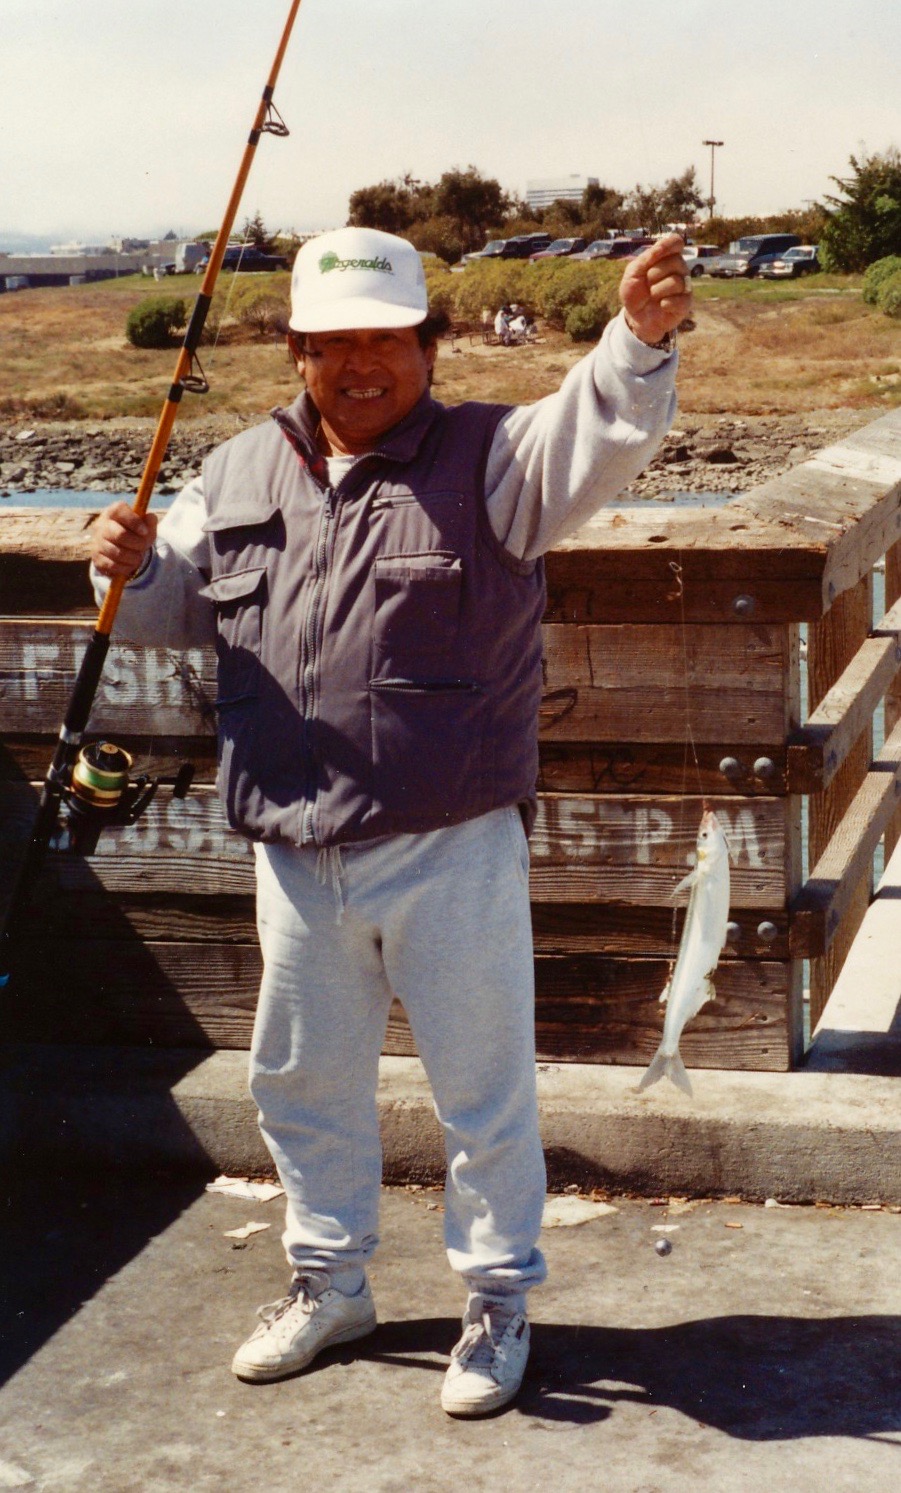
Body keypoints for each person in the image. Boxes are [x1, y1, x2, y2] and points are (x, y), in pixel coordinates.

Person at [90, 224, 690, 1417]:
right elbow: (167, 622)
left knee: (482, 1087)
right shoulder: (235, 470)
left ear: (428, 344)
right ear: (296, 352)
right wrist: (129, 570)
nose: (363, 364)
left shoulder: (498, 457)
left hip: (449, 837)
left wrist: (639, 336)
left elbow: (600, 428)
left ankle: (499, 1298)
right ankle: (327, 1279)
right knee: (300, 1080)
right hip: (293, 849)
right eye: (333, 344)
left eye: (388, 340)